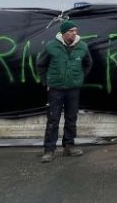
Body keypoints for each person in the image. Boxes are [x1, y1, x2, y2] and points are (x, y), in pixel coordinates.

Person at [37, 20, 93, 162]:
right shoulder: (51, 46)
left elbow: (88, 64)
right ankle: (49, 150)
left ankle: (69, 146)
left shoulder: (82, 46)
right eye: (71, 31)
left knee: (71, 118)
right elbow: (40, 65)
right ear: (64, 33)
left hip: (73, 89)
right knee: (53, 119)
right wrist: (46, 82)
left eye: (75, 31)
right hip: (55, 89)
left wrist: (78, 78)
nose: (74, 33)